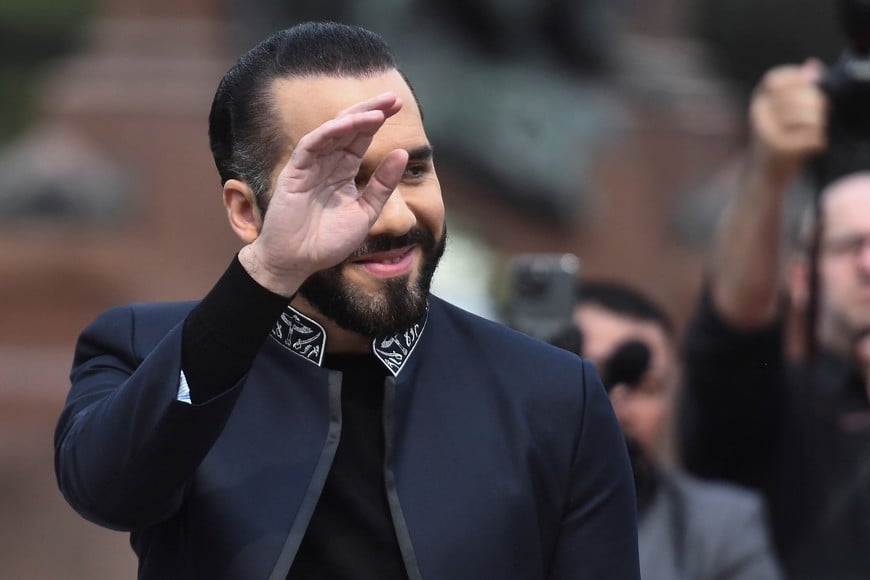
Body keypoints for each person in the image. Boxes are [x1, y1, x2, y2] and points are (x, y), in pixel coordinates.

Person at [52, 22, 639, 580]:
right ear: (245, 211)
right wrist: (265, 274)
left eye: (413, 172)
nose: (395, 216)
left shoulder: (554, 395)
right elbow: (108, 491)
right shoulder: (141, 349)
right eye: (342, 181)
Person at [678, 59, 870, 579]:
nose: (869, 265)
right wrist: (768, 172)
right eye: (849, 247)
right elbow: (730, 335)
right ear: (800, 280)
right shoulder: (776, 405)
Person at [574, 280, 783, 580]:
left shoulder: (718, 527)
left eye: (645, 386)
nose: (616, 401)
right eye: (593, 374)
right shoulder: (495, 497)